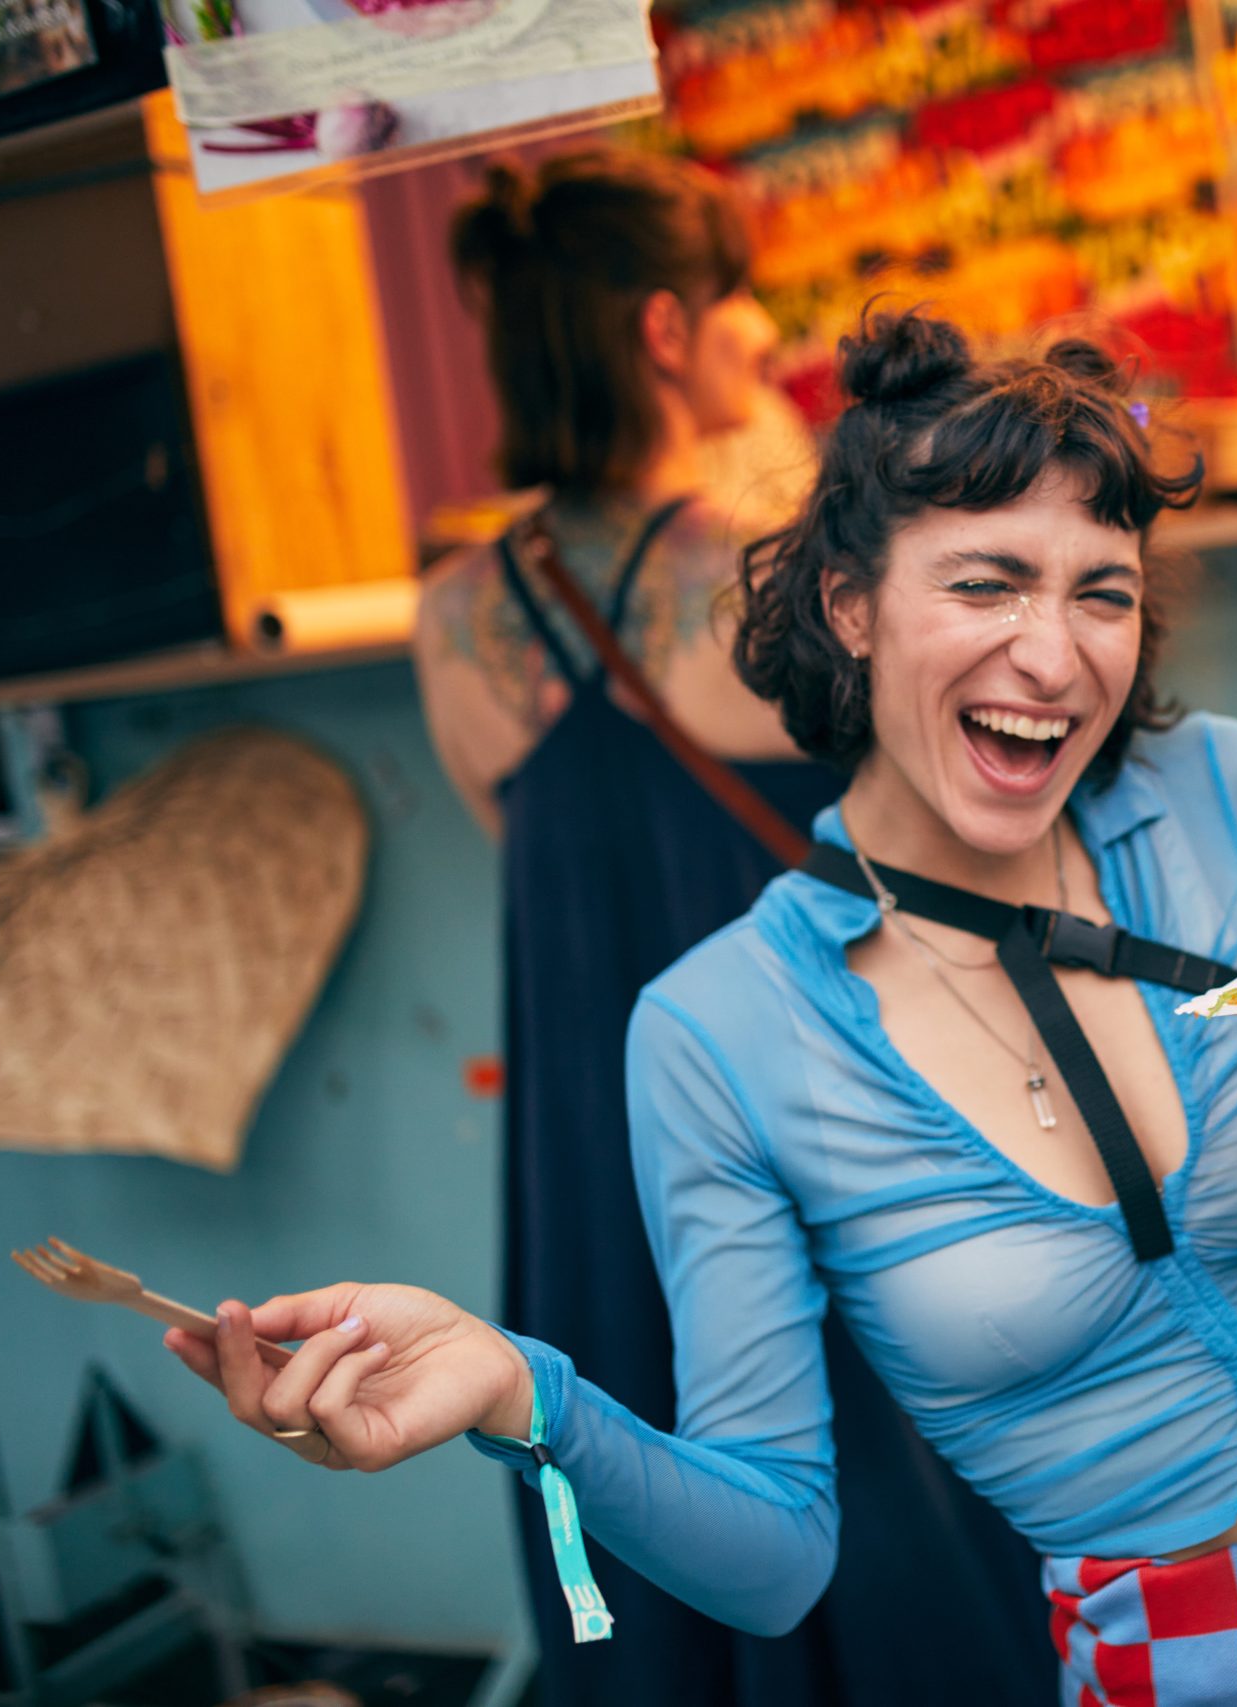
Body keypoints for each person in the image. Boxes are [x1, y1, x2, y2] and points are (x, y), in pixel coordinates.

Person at [168, 308, 1237, 1705]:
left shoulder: (1221, 792)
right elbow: (776, 1558)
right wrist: (524, 1397)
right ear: (848, 605)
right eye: (986, 583)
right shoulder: (720, 1033)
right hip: (1202, 1659)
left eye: (1099, 593)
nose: (1054, 659)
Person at [404, 161, 1052, 1703]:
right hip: (801, 1120)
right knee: (893, 1500)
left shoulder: (453, 621)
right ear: (668, 329)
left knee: (637, 1479)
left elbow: (541, 862)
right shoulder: (767, 580)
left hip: (596, 1148)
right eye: (743, 301)